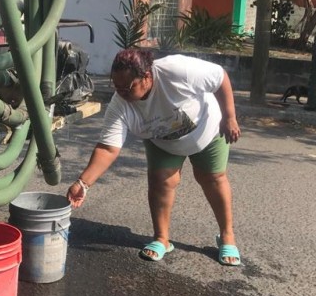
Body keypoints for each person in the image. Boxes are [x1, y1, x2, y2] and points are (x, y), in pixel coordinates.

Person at [66, 48, 242, 266]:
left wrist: (230, 117)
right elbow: (108, 149)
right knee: (161, 182)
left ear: (147, 77)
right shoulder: (120, 104)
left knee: (212, 179)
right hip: (163, 140)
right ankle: (161, 238)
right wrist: (83, 183)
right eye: (116, 86)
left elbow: (219, 77)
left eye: (128, 87)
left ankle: (227, 236)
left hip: (208, 129)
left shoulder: (177, 71)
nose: (121, 92)